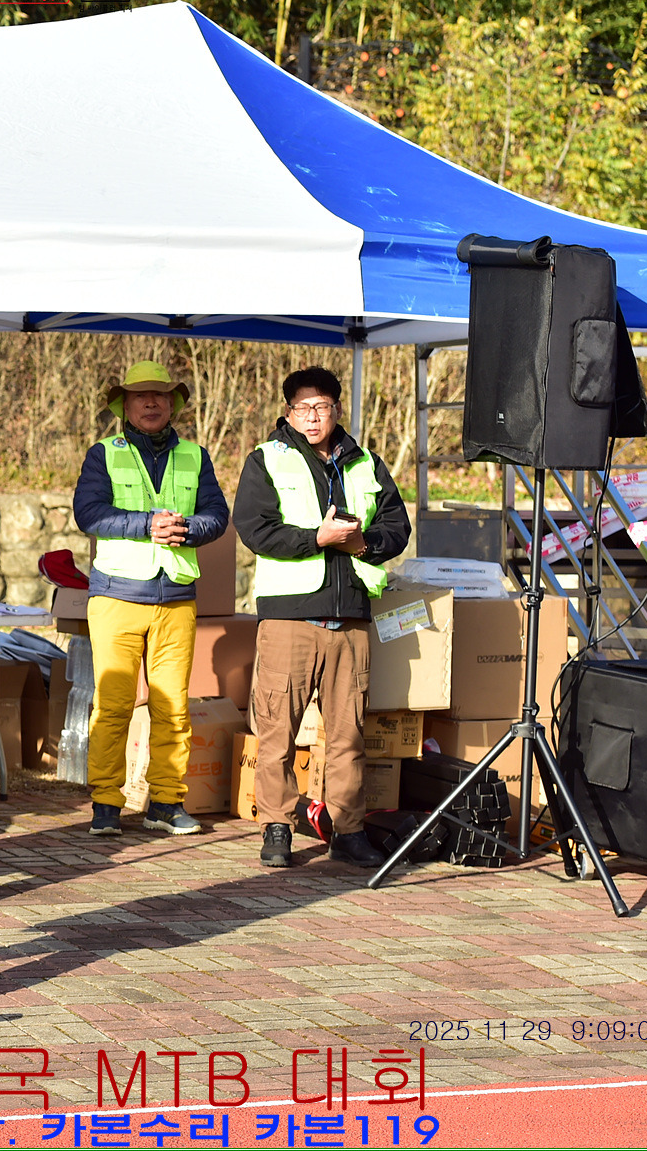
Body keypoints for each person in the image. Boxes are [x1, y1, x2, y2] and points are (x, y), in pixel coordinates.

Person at [234, 366, 411, 871]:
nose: (312, 417)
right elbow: (255, 528)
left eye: (322, 407)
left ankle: (348, 830)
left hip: (351, 616)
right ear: (288, 412)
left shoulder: (366, 462)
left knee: (349, 736)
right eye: (303, 408)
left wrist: (364, 544)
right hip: (290, 617)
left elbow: (398, 527)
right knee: (277, 731)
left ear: (336, 409)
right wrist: (317, 538)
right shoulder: (267, 459)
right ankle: (276, 826)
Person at [73, 360, 231, 838]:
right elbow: (89, 513)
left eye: (159, 395)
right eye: (140, 396)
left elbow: (217, 515)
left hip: (176, 597)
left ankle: (165, 802)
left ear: (172, 404)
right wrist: (147, 525)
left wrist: (188, 529)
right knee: (112, 705)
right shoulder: (103, 454)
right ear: (124, 406)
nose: (150, 403)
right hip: (117, 595)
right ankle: (106, 803)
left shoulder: (195, 456)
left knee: (173, 709)